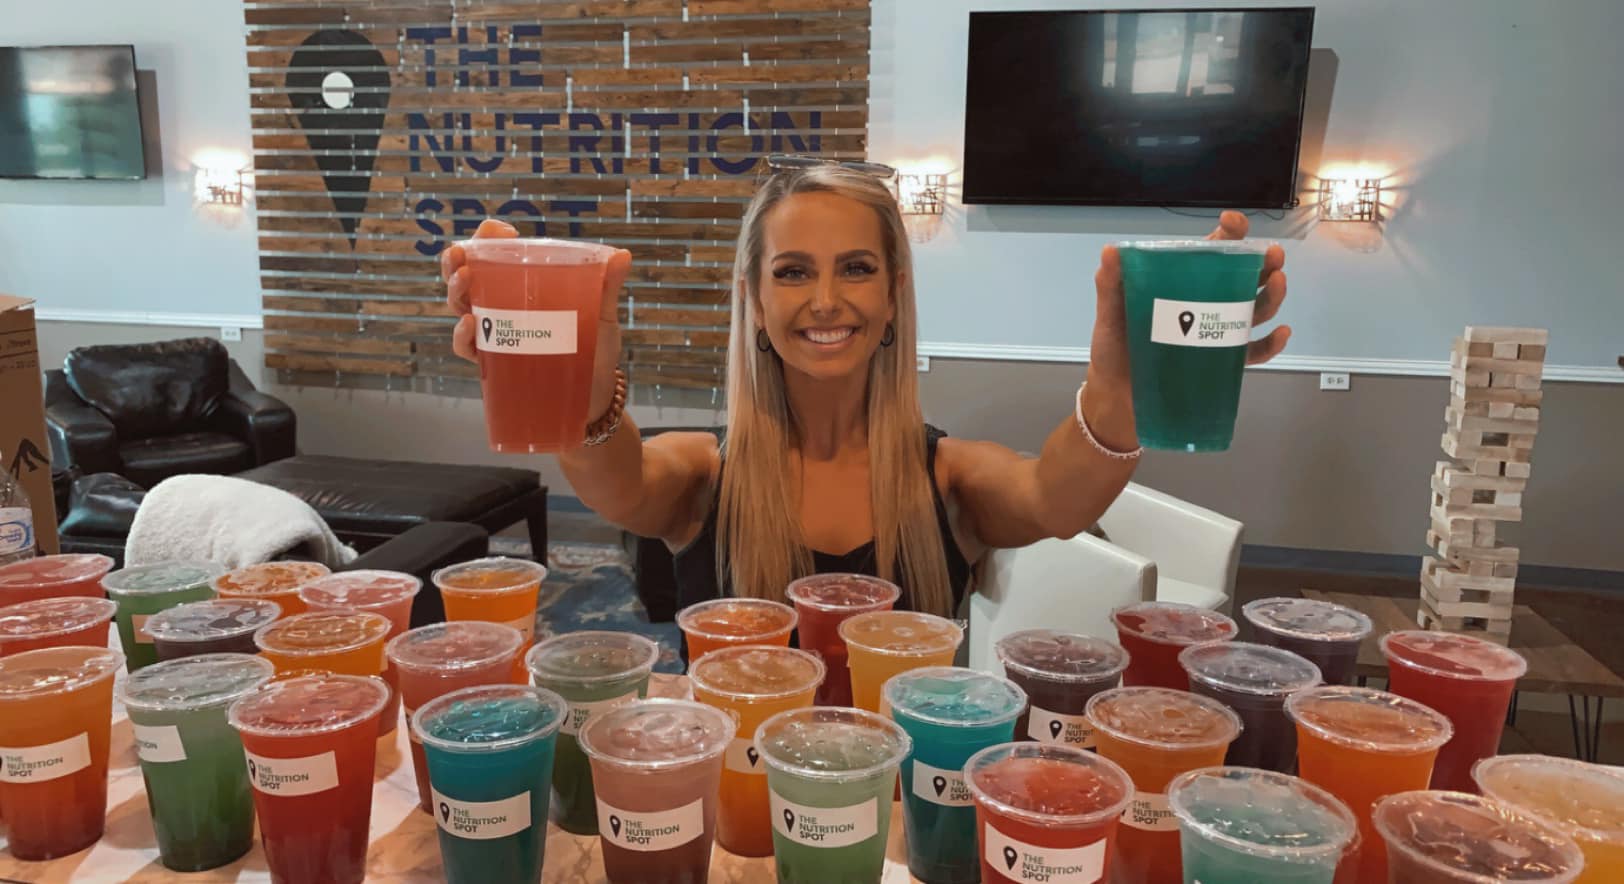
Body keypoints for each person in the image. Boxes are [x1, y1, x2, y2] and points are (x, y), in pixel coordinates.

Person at [441, 163, 1289, 620]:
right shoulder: (702, 474)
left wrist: (1120, 392)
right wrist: (578, 392)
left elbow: (1055, 498)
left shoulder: (949, 477)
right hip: (739, 830)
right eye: (792, 272)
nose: (825, 300)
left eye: (855, 268)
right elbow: (616, 480)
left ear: (892, 297)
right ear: (756, 302)